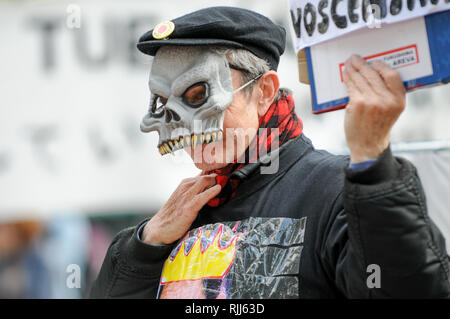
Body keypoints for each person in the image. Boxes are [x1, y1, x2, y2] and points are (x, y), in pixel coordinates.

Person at [89, 6, 450, 298]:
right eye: (163, 102)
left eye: (197, 95)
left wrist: (373, 170)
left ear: (263, 92)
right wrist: (146, 245)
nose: (178, 121)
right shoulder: (181, 214)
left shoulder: (339, 191)